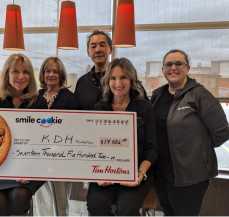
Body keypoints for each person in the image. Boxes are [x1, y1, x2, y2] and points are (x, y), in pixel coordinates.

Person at [151, 49, 229, 216]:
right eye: (168, 64)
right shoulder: (158, 95)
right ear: (163, 69)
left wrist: (197, 150)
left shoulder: (200, 95)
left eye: (179, 64)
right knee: (168, 213)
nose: (173, 68)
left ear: (188, 68)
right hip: (161, 173)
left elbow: (222, 132)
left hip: (190, 176)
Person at [0, 53, 48, 216]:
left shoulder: (39, 102)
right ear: (7, 74)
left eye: (26, 72)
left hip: (25, 168)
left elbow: (41, 141)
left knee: (19, 198)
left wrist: (28, 169)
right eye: (15, 71)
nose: (21, 76)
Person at [87, 58, 157, 216]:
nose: (118, 83)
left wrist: (140, 174)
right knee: (95, 207)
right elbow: (91, 145)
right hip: (105, 171)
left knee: (127, 210)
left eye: (123, 77)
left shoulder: (144, 107)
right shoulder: (99, 108)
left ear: (132, 80)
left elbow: (151, 148)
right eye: (113, 78)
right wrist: (96, 175)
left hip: (135, 171)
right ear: (107, 81)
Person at [35, 57, 78, 216]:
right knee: (43, 199)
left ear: (61, 75)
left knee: (59, 202)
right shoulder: (38, 95)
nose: (51, 74)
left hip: (61, 157)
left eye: (55, 71)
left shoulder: (69, 97)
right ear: (43, 73)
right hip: (40, 155)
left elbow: (72, 128)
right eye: (48, 71)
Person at [74, 30, 148, 110]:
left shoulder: (127, 78)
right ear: (88, 52)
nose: (98, 50)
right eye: (93, 46)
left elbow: (144, 108)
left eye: (102, 45)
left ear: (111, 50)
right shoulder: (82, 83)